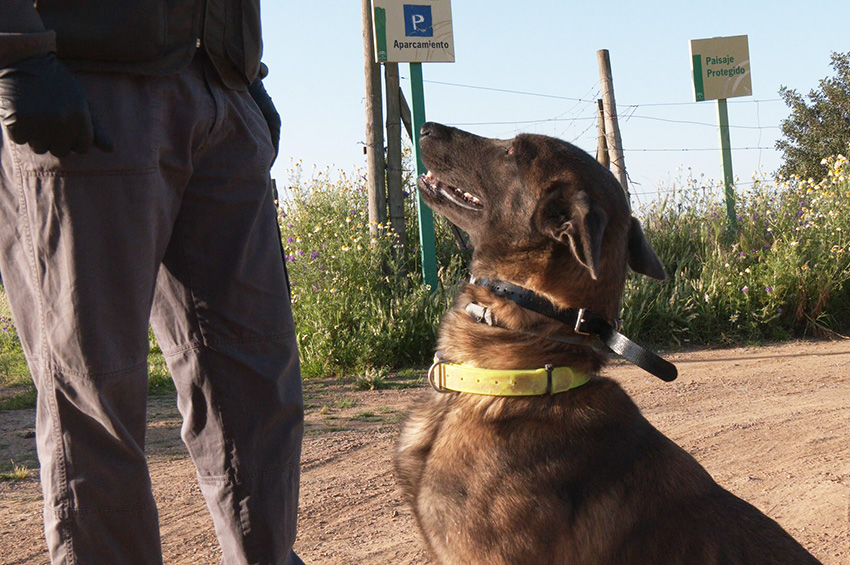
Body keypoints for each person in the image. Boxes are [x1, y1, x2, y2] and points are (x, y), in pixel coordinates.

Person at [0, 1, 304, 563]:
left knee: (259, 380)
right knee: (94, 395)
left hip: (221, 85)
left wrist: (243, 72)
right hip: (83, 82)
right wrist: (14, 49)